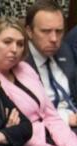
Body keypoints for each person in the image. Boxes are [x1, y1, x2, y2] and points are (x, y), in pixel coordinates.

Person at [0, 17, 77, 146]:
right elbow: (22, 136)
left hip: (57, 141)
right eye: (7, 42)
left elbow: (51, 115)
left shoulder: (25, 68)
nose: (14, 49)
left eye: (20, 44)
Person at [25, 0, 77, 128]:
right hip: (48, 131)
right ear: (29, 31)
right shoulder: (20, 61)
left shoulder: (65, 50)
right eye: (45, 31)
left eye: (59, 31)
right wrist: (67, 119)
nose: (54, 39)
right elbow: (28, 116)